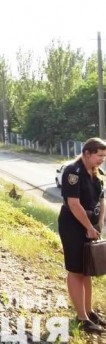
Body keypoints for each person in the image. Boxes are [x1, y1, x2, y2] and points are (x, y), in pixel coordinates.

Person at [57, 137, 106, 333]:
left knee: (88, 269)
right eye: (99, 156)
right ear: (87, 153)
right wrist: (88, 227)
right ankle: (81, 317)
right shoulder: (73, 171)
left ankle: (89, 311)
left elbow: (102, 200)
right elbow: (73, 204)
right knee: (76, 270)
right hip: (73, 226)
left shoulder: (98, 173)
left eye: (104, 156)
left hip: (91, 226)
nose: (102, 159)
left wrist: (100, 222)